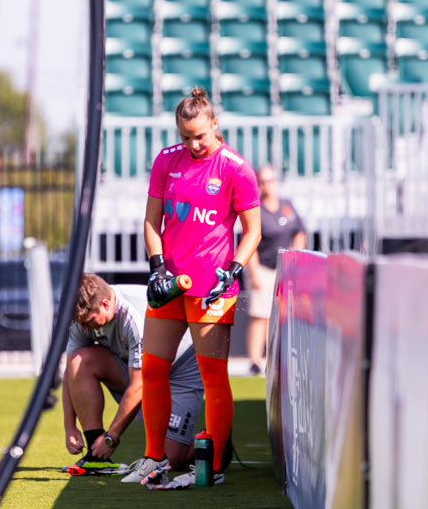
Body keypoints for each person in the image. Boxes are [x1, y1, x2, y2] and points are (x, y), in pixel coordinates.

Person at [130, 86, 262, 488]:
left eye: (200, 136)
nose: (193, 144)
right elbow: (152, 222)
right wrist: (156, 268)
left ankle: (215, 467)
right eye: (186, 136)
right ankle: (154, 459)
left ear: (214, 124)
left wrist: (234, 269)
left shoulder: (236, 168)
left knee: (213, 377)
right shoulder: (167, 161)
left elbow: (252, 230)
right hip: (170, 285)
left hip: (211, 289)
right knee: (153, 370)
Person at [62, 274, 205, 482]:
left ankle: (213, 444)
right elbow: (70, 372)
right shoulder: (84, 317)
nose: (84, 328)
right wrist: (69, 427)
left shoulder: (133, 317)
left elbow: (140, 386)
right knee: (79, 360)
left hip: (181, 368)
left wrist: (111, 438)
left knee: (172, 458)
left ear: (105, 304)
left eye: (89, 321)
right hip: (139, 370)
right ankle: (97, 457)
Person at [245, 164, 307, 375]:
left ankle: (280, 357)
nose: (267, 185)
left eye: (270, 180)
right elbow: (250, 242)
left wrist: (296, 255)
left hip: (285, 268)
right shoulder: (256, 209)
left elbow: (299, 231)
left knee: (284, 316)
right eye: (262, 181)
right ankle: (255, 360)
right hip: (262, 267)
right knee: (260, 315)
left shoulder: (286, 206)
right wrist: (254, 273)